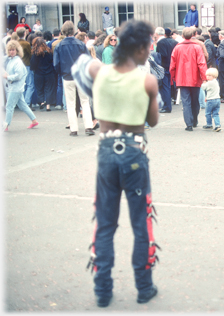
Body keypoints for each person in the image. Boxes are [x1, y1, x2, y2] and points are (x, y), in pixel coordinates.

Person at [78, 19, 160, 307]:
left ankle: (102, 291)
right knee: (141, 223)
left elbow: (81, 66)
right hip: (135, 152)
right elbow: (152, 120)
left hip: (106, 151)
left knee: (104, 224)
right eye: (148, 46)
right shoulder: (147, 80)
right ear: (139, 48)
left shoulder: (99, 74)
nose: (150, 51)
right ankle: (144, 287)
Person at [54, 20, 94, 136]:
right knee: (85, 102)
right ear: (73, 30)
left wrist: (61, 73)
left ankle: (74, 129)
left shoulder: (59, 45)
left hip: (67, 76)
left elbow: (56, 64)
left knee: (71, 104)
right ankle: (88, 127)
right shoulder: (80, 44)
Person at [170, 27, 207, 131]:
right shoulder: (197, 47)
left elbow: (172, 65)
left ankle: (189, 124)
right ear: (193, 35)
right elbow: (201, 63)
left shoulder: (177, 48)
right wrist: (204, 77)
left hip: (181, 78)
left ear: (182, 35)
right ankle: (194, 120)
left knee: (186, 102)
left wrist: (173, 76)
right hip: (195, 77)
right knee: (195, 101)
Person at [2, 40, 39, 132]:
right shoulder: (11, 59)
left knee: (9, 106)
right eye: (10, 50)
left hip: (16, 87)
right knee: (23, 105)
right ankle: (34, 120)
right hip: (15, 86)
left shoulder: (17, 61)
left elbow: (18, 76)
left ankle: (6, 124)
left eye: (13, 50)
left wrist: (7, 77)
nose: (11, 52)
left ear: (17, 50)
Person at [155, 27, 178, 113]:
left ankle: (167, 106)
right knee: (169, 86)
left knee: (164, 87)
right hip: (172, 65)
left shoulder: (160, 43)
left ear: (157, 34)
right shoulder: (173, 42)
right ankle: (167, 104)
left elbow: (162, 55)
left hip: (164, 67)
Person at [30, 37, 56, 111]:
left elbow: (32, 65)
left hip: (38, 73)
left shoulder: (35, 54)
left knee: (39, 89)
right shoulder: (48, 52)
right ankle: (48, 106)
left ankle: (41, 102)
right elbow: (52, 61)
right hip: (49, 73)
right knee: (49, 89)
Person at [16, 27, 34, 109]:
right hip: (26, 64)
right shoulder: (26, 44)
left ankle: (20, 102)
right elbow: (30, 55)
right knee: (30, 85)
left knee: (21, 85)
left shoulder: (15, 43)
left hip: (17, 65)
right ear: (25, 33)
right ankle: (26, 102)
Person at [201, 68, 222, 132]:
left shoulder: (209, 83)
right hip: (217, 99)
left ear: (214, 76)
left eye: (209, 75)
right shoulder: (216, 82)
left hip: (211, 100)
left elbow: (203, 88)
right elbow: (211, 91)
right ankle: (217, 125)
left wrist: (204, 83)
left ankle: (209, 124)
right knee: (215, 113)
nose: (207, 77)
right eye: (207, 75)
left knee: (208, 113)